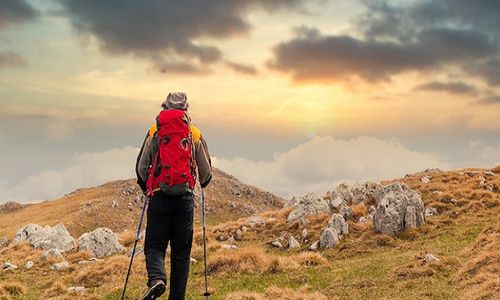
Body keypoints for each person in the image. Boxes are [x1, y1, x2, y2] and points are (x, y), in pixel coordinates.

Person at [135, 92, 212, 300]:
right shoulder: (193, 133)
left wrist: (147, 188)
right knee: (181, 255)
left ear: (164, 107)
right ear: (186, 110)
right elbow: (206, 175)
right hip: (184, 202)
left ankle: (157, 279)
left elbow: (141, 169)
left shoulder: (154, 131)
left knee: (154, 246)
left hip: (159, 197)